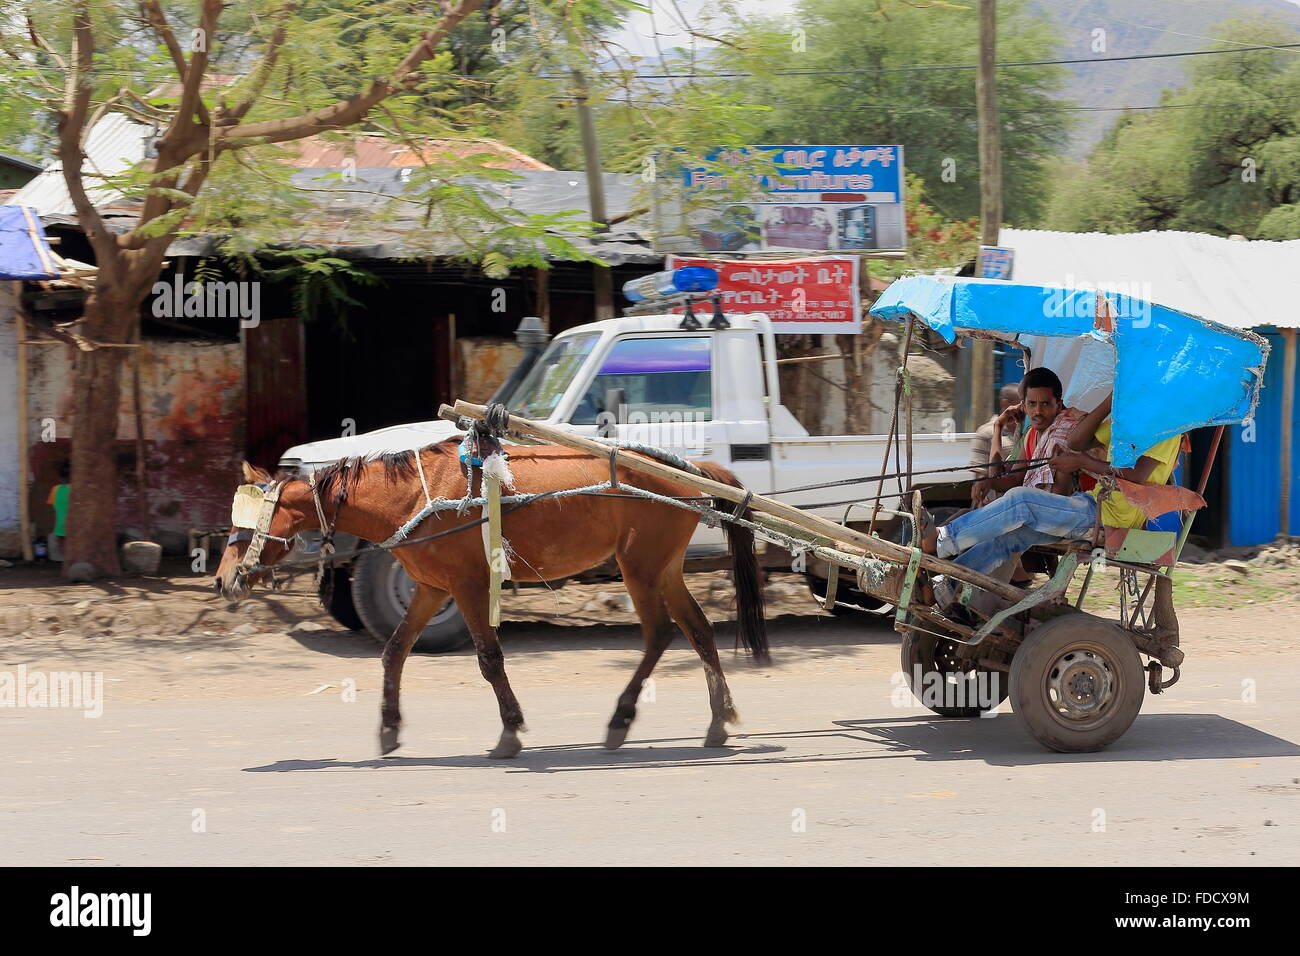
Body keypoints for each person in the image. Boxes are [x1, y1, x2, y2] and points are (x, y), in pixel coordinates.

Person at [923, 391, 1181, 607]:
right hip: (1092, 506)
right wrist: (1108, 402)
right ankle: (945, 587)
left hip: (1112, 518)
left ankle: (943, 540)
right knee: (1009, 537)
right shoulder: (1126, 423)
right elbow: (1076, 441)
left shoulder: (1166, 427)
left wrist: (1080, 462)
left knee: (1021, 502)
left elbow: (1136, 475)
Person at [968, 383, 1020, 506]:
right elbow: (981, 474)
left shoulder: (1026, 430)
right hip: (994, 503)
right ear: (1005, 403)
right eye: (1020, 403)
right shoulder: (986, 433)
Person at [46, 460, 70, 563]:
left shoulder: (55, 489)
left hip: (60, 525)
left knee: (61, 540)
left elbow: (52, 506)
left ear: (59, 477)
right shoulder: (76, 489)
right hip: (74, 525)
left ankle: (63, 560)